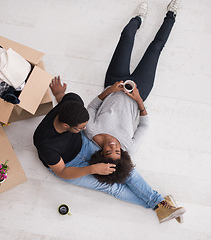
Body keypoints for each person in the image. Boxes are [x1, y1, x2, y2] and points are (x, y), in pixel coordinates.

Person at [33, 0, 185, 224]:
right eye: (81, 128)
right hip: (71, 166)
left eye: (85, 125)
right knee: (112, 187)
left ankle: (161, 204)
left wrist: (59, 95)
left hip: (87, 147)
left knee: (125, 170)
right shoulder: (46, 144)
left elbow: (81, 109)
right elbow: (63, 172)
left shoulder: (74, 104)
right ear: (66, 127)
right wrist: (93, 168)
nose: (87, 129)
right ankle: (159, 205)